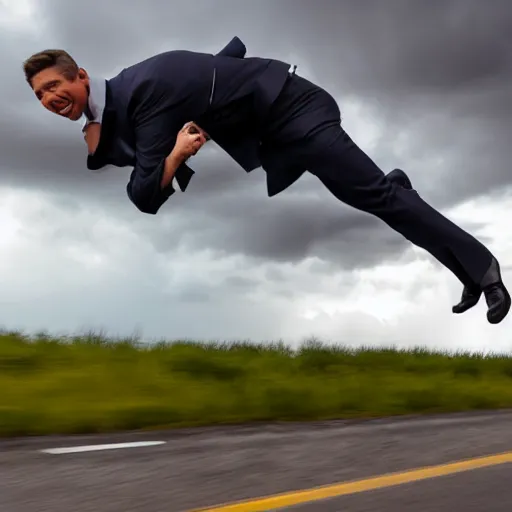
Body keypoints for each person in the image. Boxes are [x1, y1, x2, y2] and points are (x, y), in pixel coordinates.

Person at [22, 36, 510, 325]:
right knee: (378, 198)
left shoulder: (142, 91)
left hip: (296, 111)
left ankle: (485, 270)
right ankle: (456, 260)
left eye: (54, 86)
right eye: (39, 95)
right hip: (275, 132)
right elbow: (144, 172)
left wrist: (171, 154)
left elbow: (146, 195)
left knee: (378, 197)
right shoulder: (124, 99)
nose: (48, 99)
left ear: (80, 76)